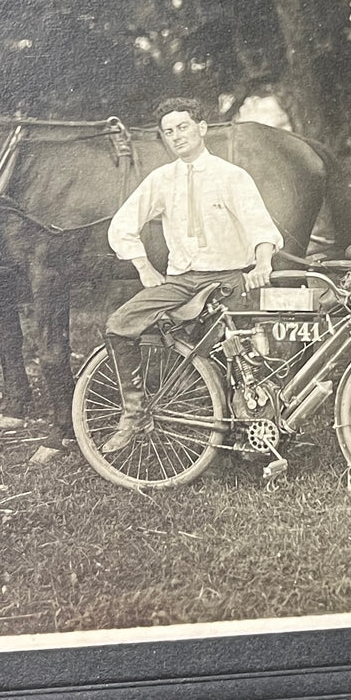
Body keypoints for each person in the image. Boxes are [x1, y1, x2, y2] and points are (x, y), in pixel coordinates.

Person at [101, 97, 284, 451]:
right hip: (182, 282)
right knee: (119, 324)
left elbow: (260, 226)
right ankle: (134, 414)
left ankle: (247, 438)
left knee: (239, 361)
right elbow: (122, 225)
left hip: (228, 279)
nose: (176, 136)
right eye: (168, 132)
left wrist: (263, 264)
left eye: (183, 127)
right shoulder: (162, 179)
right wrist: (144, 267)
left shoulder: (231, 176)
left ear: (201, 128)